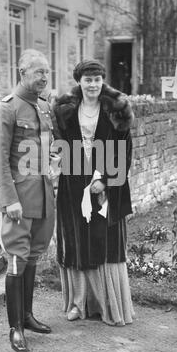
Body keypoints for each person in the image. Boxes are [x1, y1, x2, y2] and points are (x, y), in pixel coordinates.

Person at [53, 59, 135, 326]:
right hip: (73, 184)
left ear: (103, 80)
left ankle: (108, 305)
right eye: (87, 80)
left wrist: (107, 181)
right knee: (76, 240)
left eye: (97, 79)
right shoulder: (65, 109)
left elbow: (125, 151)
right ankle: (79, 304)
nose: (93, 85)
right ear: (79, 81)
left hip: (106, 184)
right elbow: (60, 145)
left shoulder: (117, 109)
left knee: (106, 241)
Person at [0, 49, 58, 352]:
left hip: (43, 197)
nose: (44, 77)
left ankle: (27, 316)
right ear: (22, 72)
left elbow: (46, 150)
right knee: (17, 260)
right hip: (18, 201)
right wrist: (9, 200)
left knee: (32, 258)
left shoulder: (43, 107)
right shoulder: (7, 109)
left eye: (46, 72)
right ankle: (14, 328)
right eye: (38, 72)